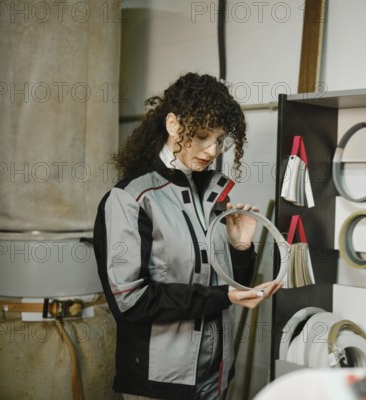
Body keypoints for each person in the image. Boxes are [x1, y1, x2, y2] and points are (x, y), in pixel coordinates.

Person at [93, 72, 283, 400]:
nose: (211, 150)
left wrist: (241, 248)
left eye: (219, 139)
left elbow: (232, 286)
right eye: (201, 135)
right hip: (160, 384)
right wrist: (218, 297)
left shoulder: (211, 195)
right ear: (173, 124)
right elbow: (130, 301)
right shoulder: (131, 199)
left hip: (216, 376)